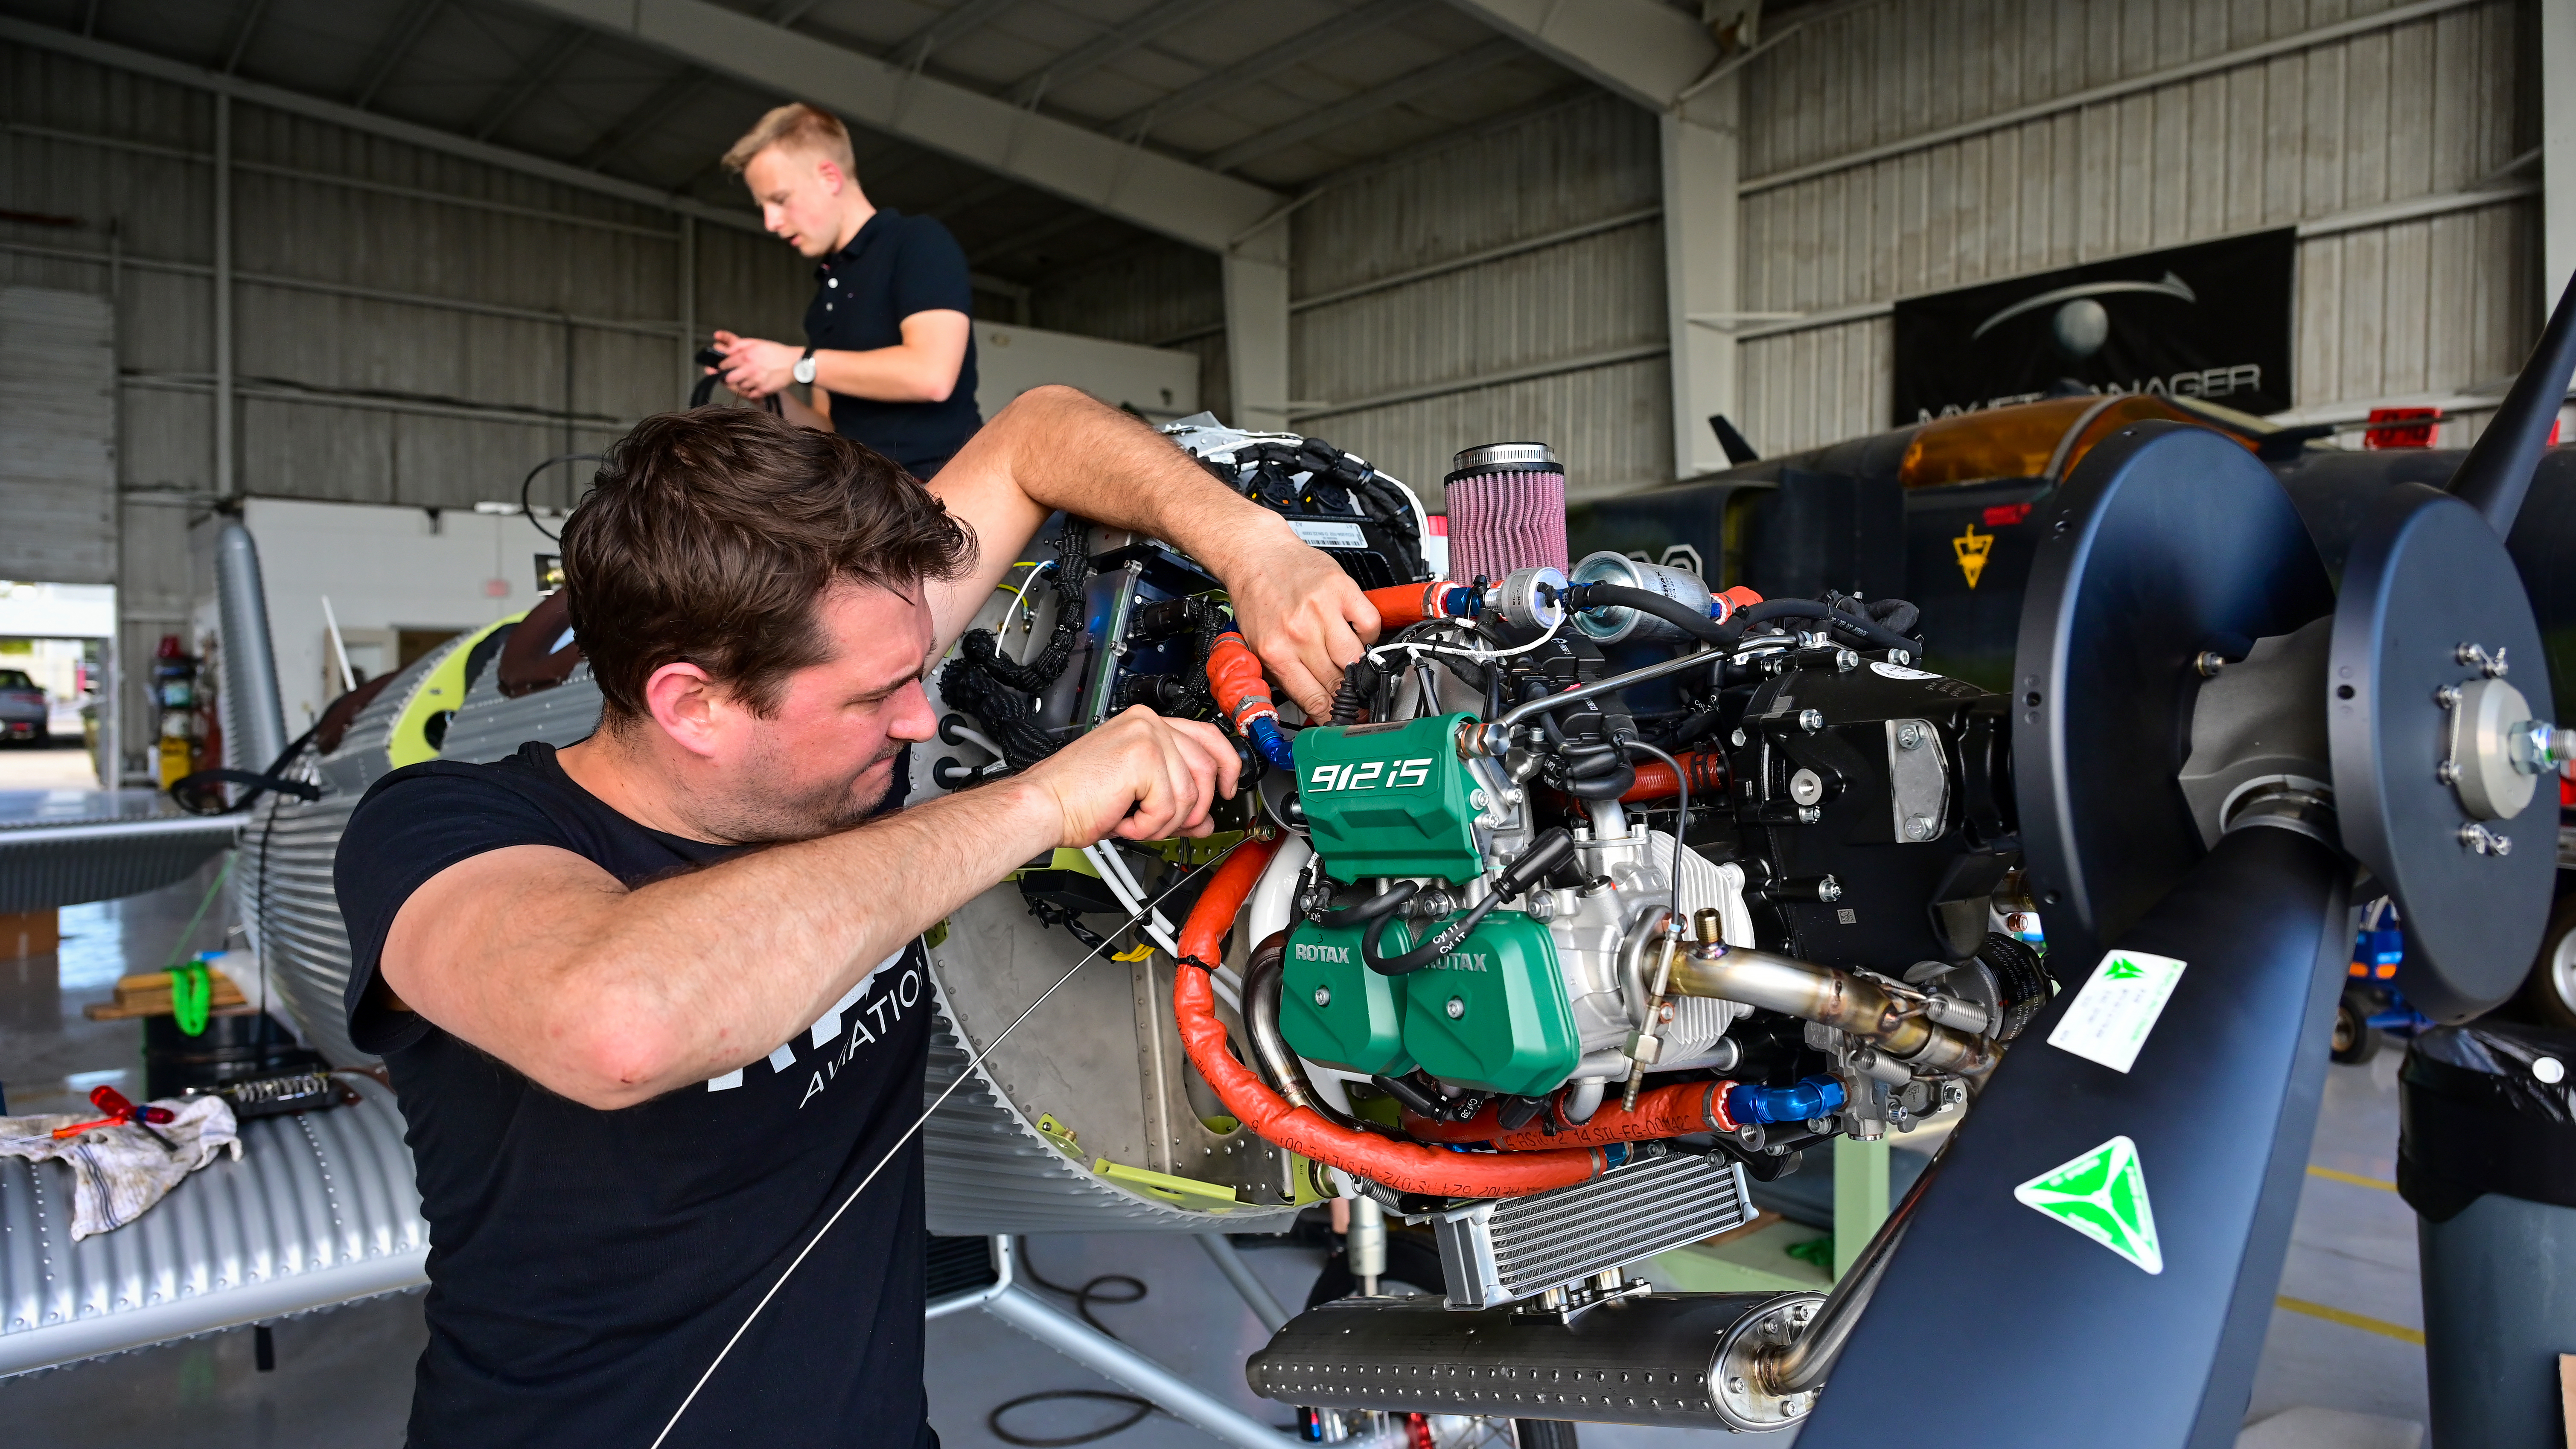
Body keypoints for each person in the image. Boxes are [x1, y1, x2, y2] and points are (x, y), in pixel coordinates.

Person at [332, 387, 1381, 1447]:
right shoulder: (441, 831)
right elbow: (618, 1023)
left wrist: (1254, 550)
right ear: (692, 703)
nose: (923, 716)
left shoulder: (831, 697)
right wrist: (1041, 801)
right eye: (879, 695)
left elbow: (1036, 436)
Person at [707, 102, 982, 478]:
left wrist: (794, 363)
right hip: (871, 500)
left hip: (950, 484)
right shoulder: (825, 295)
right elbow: (829, 430)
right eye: (764, 207)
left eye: (780, 200)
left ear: (830, 178)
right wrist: (767, 390)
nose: (771, 222)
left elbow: (932, 375)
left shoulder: (916, 241)